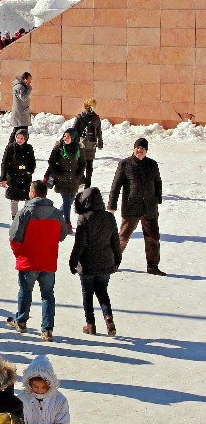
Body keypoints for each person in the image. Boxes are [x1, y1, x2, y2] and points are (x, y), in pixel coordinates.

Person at [7, 180, 68, 342]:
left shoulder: (25, 212)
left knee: (25, 291)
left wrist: (19, 254)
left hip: (28, 261)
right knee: (48, 295)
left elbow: (14, 238)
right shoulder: (56, 213)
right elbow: (62, 235)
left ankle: (21, 321)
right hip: (48, 261)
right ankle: (47, 329)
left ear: (32, 193)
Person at [108, 137, 165, 276]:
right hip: (131, 207)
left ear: (146, 151)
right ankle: (112, 263)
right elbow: (115, 187)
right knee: (123, 237)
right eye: (137, 148)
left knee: (153, 238)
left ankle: (152, 266)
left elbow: (158, 182)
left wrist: (157, 199)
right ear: (134, 149)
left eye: (142, 148)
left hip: (150, 208)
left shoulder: (152, 165)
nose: (140, 150)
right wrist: (112, 206)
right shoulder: (125, 164)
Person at [70, 187, 122, 335]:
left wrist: (73, 262)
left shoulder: (84, 218)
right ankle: (108, 318)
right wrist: (117, 259)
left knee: (87, 294)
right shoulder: (109, 217)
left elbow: (79, 245)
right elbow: (115, 242)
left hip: (87, 264)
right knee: (103, 292)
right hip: (105, 262)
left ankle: (90, 325)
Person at [43, 129, 84, 232]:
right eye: (64, 136)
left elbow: (83, 163)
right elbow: (51, 162)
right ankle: (67, 224)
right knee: (66, 202)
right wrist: (57, 174)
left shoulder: (79, 148)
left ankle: (53, 217)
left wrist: (79, 174)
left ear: (73, 138)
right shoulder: (59, 148)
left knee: (69, 202)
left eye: (68, 136)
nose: (65, 138)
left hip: (74, 180)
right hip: (61, 180)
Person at [0, 129, 36, 219]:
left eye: (22, 138)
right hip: (13, 176)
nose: (19, 140)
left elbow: (32, 162)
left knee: (28, 197)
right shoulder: (10, 148)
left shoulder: (29, 148)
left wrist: (29, 171)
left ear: (26, 139)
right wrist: (3, 178)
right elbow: (4, 163)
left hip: (25, 176)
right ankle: (14, 216)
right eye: (18, 138)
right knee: (14, 199)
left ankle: (26, 215)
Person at [74, 99, 103, 189]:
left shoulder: (80, 117)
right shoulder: (96, 118)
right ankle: (88, 182)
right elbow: (99, 131)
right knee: (89, 163)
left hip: (81, 143)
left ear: (84, 106)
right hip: (92, 143)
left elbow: (74, 130)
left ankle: (82, 179)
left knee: (79, 162)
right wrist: (100, 142)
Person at [9, 72, 32, 142]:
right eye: (29, 80)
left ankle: (13, 146)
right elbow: (23, 97)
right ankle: (11, 147)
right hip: (20, 114)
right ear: (25, 79)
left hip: (21, 113)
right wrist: (28, 87)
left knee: (18, 131)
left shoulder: (20, 86)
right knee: (21, 132)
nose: (30, 82)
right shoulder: (20, 87)